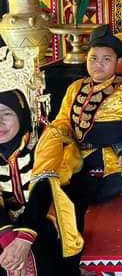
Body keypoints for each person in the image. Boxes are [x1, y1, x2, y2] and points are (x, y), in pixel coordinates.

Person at [33, 25, 122, 222]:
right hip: (81, 150)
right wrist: (55, 138)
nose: (99, 64)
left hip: (118, 150)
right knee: (57, 169)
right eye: (93, 59)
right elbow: (63, 120)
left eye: (107, 59)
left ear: (117, 62)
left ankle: (86, 192)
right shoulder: (75, 87)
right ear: (86, 60)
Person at [0, 89, 83, 275]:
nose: (0, 123)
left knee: (41, 251)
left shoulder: (46, 139)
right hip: (6, 222)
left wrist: (24, 237)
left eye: (6, 114)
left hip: (48, 212)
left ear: (21, 114)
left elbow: (43, 188)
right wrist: (7, 238)